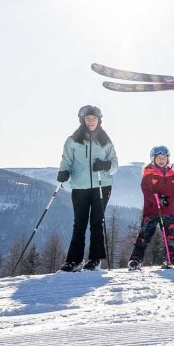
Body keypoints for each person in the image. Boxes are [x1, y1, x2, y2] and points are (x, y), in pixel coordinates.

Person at [57, 104, 118, 271]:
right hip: (79, 187)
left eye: (94, 118)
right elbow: (66, 160)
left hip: (102, 186)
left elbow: (115, 164)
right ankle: (74, 261)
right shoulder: (72, 141)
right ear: (82, 120)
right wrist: (63, 172)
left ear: (99, 120)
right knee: (80, 223)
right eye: (88, 118)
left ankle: (95, 259)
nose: (91, 121)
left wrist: (105, 165)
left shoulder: (105, 140)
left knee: (97, 222)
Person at [127, 146, 174, 269]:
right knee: (144, 236)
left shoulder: (172, 175)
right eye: (159, 158)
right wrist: (159, 198)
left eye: (164, 158)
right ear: (153, 159)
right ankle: (135, 259)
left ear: (168, 159)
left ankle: (172, 257)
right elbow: (147, 192)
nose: (161, 160)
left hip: (168, 212)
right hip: (152, 211)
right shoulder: (148, 175)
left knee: (171, 236)